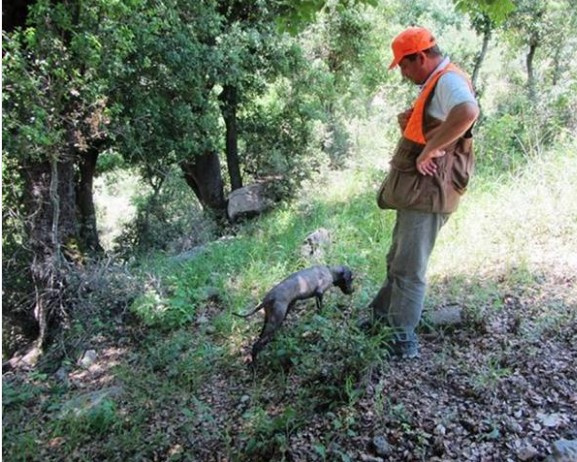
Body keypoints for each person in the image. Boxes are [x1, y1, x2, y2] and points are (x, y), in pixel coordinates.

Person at [364, 26, 479, 359]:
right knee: (398, 259)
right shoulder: (437, 81)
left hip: (429, 193)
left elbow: (467, 111)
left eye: (405, 64)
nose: (403, 72)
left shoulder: (448, 80)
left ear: (423, 56)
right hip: (419, 192)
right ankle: (379, 319)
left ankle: (401, 340)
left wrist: (429, 149)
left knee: (409, 268)